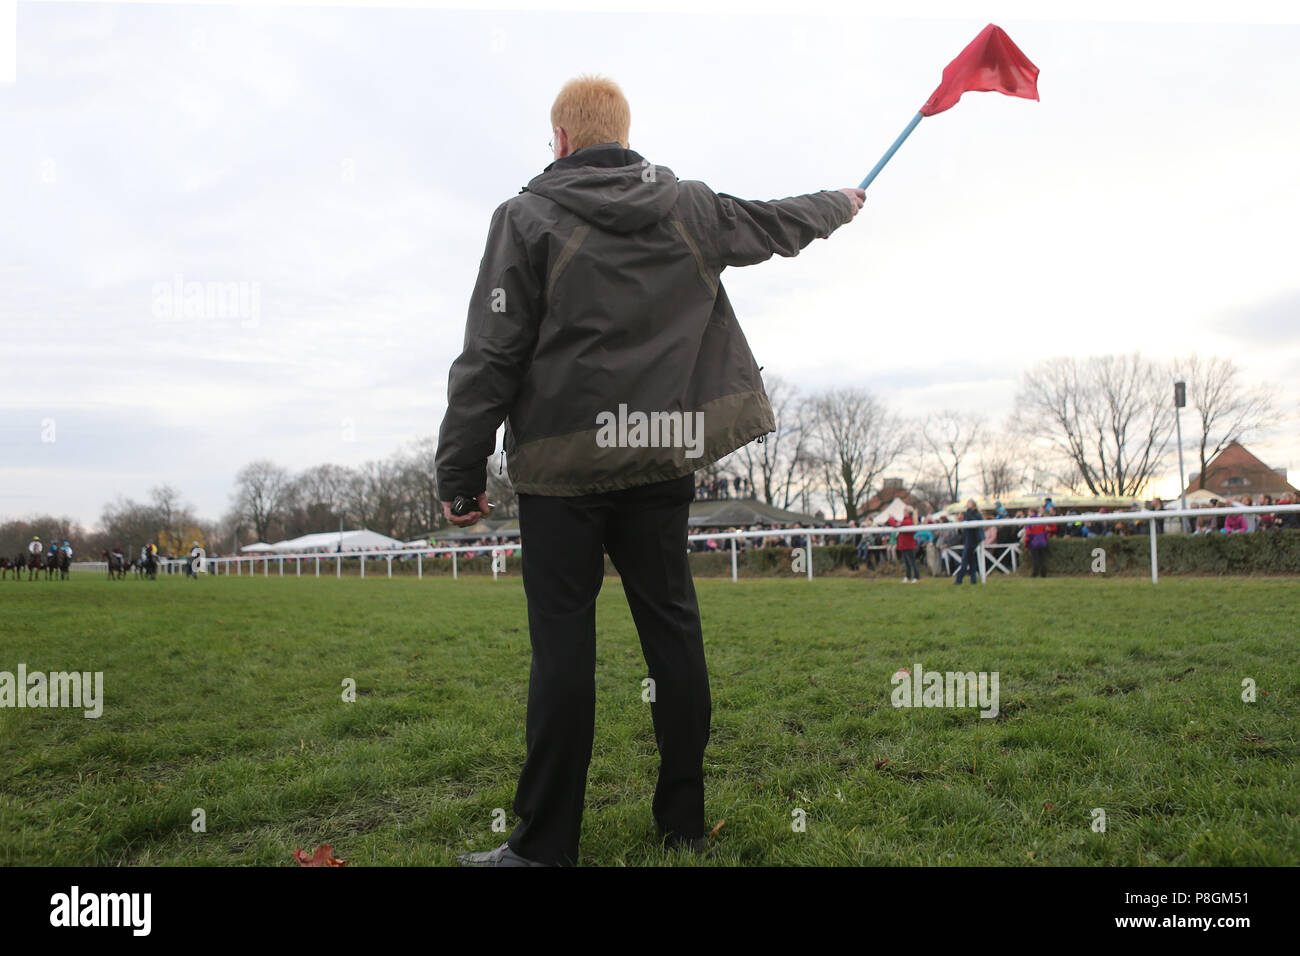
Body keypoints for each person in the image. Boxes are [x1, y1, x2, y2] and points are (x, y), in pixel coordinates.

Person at [437, 75, 863, 867]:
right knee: (672, 632)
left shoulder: (522, 217)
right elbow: (777, 222)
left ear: (560, 140)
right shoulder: (690, 207)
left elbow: (491, 353)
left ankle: (542, 847)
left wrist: (460, 471)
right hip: (660, 453)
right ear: (624, 136)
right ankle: (682, 824)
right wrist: (839, 202)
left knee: (563, 651)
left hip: (561, 471)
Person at [954, 499, 982, 584]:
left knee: (965, 560)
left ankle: (959, 579)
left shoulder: (976, 514)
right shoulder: (968, 514)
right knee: (971, 560)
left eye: (968, 504)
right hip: (968, 539)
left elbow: (973, 522)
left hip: (972, 540)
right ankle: (973, 580)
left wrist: (968, 511)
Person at [888, 506, 920, 583]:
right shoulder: (905, 521)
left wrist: (891, 519)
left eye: (904, 511)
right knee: (907, 562)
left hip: (909, 545)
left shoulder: (908, 521)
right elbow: (898, 523)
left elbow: (895, 524)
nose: (903, 513)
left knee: (912, 562)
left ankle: (916, 577)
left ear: (908, 513)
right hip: (904, 545)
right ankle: (908, 576)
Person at [1024, 509, 1051, 577]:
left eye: (1029, 512)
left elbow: (1028, 534)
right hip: (1042, 542)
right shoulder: (1041, 520)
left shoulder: (1030, 522)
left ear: (1032, 512)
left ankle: (1035, 574)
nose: (1028, 513)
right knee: (1042, 559)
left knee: (1035, 559)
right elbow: (1045, 532)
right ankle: (1043, 574)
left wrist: (1026, 544)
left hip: (1034, 543)